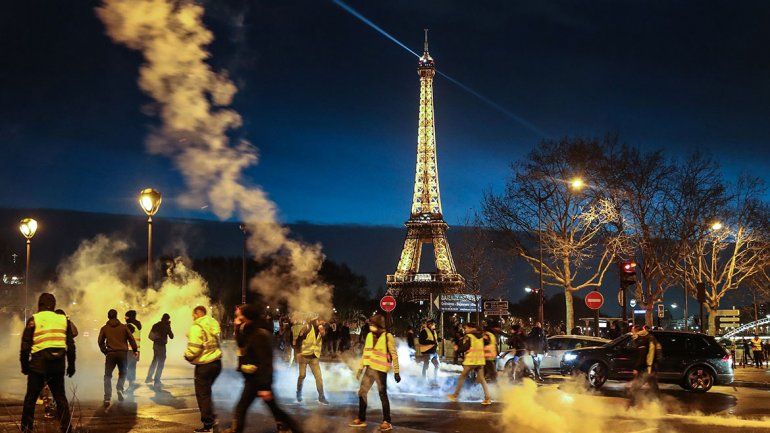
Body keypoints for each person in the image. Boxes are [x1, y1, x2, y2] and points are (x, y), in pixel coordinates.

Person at [224, 305, 304, 433]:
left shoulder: (259, 334)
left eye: (240, 315)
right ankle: (286, 427)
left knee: (251, 408)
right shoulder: (249, 329)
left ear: (247, 316)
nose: (237, 317)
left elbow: (265, 362)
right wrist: (237, 327)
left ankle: (295, 429)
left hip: (258, 380)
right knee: (252, 408)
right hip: (253, 379)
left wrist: (265, 387)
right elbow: (241, 344)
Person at [20, 293, 76, 433]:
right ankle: (67, 428)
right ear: (54, 305)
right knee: (60, 398)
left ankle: (26, 429)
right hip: (58, 365)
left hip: (38, 365)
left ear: (40, 304)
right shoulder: (63, 320)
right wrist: (71, 365)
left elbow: (25, 345)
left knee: (30, 400)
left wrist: (25, 366)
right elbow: (71, 345)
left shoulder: (35, 319)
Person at [349, 314, 400, 431]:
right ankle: (361, 419)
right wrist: (360, 369)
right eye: (370, 324)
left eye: (373, 325)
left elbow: (394, 355)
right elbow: (366, 353)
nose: (371, 327)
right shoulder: (369, 336)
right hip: (369, 369)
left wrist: (396, 371)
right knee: (362, 392)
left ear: (379, 325)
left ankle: (387, 421)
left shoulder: (387, 336)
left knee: (382, 395)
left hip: (381, 370)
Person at [185, 305, 223, 433]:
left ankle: (208, 424)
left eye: (193, 314)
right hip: (217, 363)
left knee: (203, 395)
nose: (192, 317)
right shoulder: (213, 323)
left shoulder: (197, 327)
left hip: (204, 365)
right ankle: (212, 418)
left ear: (197, 314)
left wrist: (187, 356)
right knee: (206, 393)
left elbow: (194, 348)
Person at [448, 322, 491, 405]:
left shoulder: (469, 336)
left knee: (462, 377)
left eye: (466, 328)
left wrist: (457, 349)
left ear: (471, 328)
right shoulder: (481, 336)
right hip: (480, 360)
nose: (465, 330)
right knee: (482, 379)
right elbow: (486, 343)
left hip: (471, 361)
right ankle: (488, 398)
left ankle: (455, 395)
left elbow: (465, 347)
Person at [295, 315, 329, 404]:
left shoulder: (322, 329)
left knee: (319, 377)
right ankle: (298, 392)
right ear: (316, 321)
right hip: (304, 356)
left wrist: (323, 333)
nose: (323, 323)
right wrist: (298, 352)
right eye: (321, 321)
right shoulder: (307, 327)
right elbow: (298, 340)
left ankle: (321, 396)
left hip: (314, 357)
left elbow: (326, 340)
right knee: (302, 375)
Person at [628, 325, 660, 406]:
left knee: (634, 389)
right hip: (651, 367)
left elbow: (642, 356)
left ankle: (631, 408)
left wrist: (636, 368)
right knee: (654, 388)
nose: (632, 333)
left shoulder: (641, 339)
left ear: (636, 331)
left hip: (646, 368)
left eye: (632, 331)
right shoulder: (648, 337)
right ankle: (657, 406)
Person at [145, 313, 174, 387]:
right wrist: (169, 327)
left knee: (154, 361)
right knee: (161, 363)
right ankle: (157, 380)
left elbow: (150, 336)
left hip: (155, 345)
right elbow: (171, 336)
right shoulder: (166, 326)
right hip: (162, 346)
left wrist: (156, 339)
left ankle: (148, 377)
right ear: (167, 319)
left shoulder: (156, 325)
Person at [124, 310, 142, 390]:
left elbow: (125, 336)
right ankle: (132, 383)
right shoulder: (138, 325)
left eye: (126, 316)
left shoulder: (129, 326)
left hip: (129, 350)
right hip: (136, 350)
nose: (125, 318)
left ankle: (131, 383)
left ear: (130, 317)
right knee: (132, 366)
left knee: (127, 366)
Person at [418, 320, 440, 384]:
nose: (434, 326)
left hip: (434, 352)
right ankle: (424, 381)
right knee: (426, 366)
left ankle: (435, 379)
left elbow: (434, 340)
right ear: (430, 325)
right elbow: (421, 341)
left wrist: (438, 340)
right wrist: (432, 342)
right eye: (433, 324)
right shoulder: (424, 331)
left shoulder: (434, 331)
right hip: (427, 352)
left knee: (437, 365)